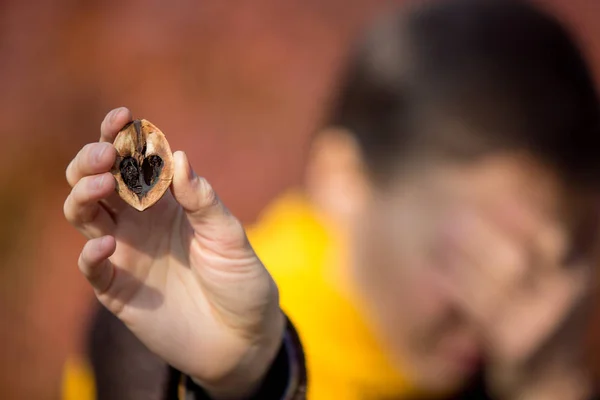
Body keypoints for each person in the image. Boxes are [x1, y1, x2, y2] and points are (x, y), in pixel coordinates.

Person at [63, 0, 600, 398]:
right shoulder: (172, 332)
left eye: (557, 263)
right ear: (344, 180)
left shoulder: (521, 356)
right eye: (482, 257)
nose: (522, 316)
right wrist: (248, 379)